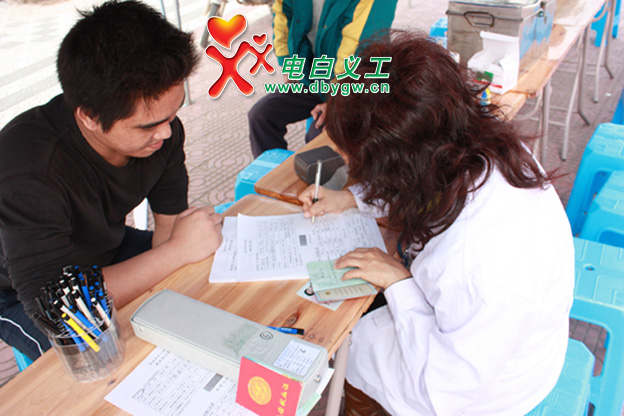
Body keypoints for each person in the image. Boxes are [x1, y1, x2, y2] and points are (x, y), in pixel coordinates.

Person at [298, 31, 575, 415]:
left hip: (482, 388)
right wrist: (349, 199)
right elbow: (423, 172)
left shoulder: (475, 260)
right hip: (501, 341)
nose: (349, 166)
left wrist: (398, 282)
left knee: (356, 342)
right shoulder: (471, 148)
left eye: (354, 161)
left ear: (395, 165)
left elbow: (447, 388)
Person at [0, 0, 223, 362]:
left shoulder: (162, 133)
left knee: (207, 273)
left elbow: (169, 232)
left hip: (104, 247)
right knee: (91, 360)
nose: (166, 133)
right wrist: (177, 252)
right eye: (148, 126)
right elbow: (58, 307)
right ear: (89, 116)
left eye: (173, 114)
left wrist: (177, 253)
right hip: (20, 288)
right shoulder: (28, 169)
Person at [247, 0, 397, 158]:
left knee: (318, 138)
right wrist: (287, 64)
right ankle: (272, 171)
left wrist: (337, 100)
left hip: (355, 85)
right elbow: (282, 19)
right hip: (315, 76)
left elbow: (357, 49)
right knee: (261, 116)